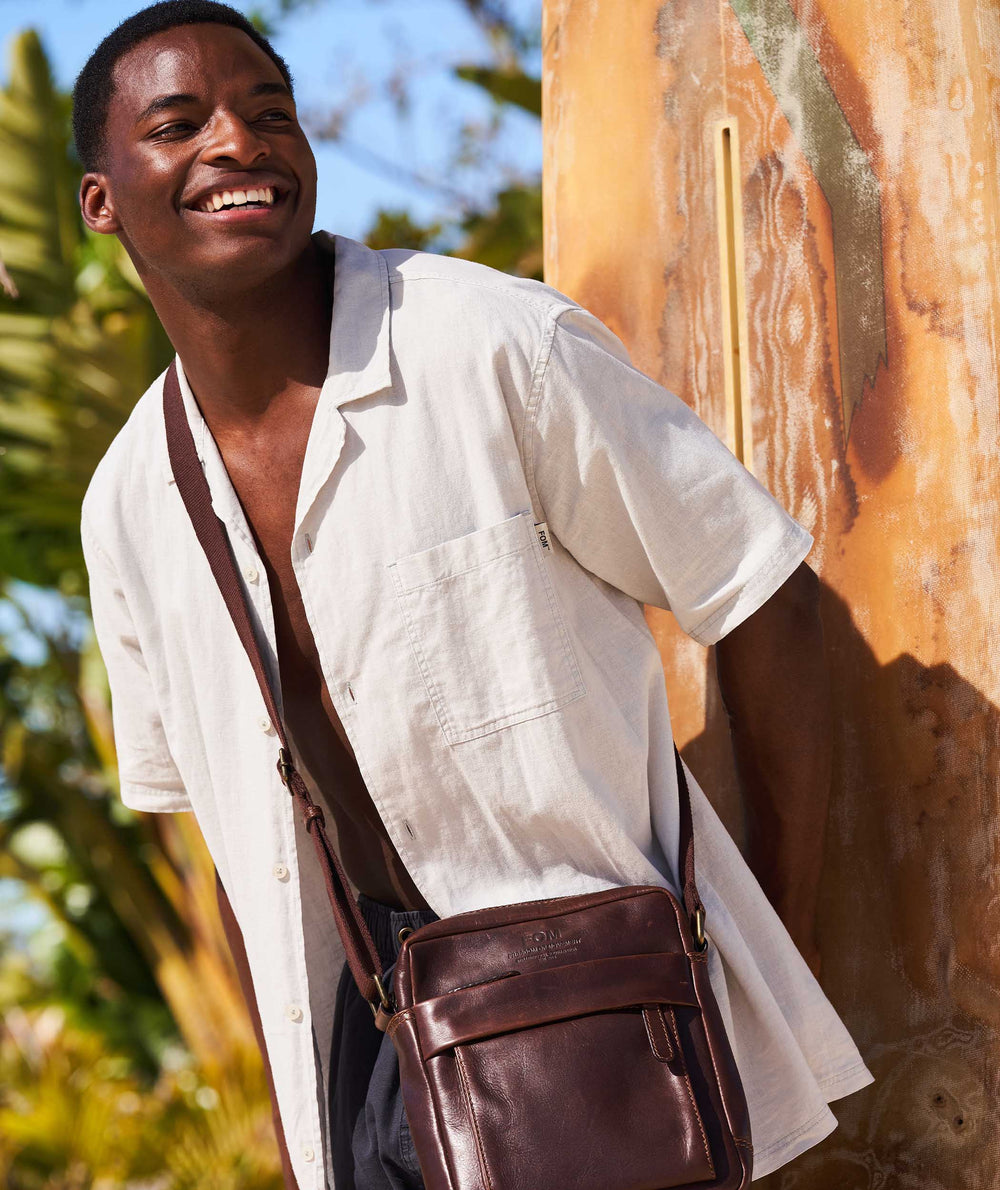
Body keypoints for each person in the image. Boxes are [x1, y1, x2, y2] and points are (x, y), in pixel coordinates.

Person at [74, 2, 874, 1187]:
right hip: (367, 1067)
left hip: (598, 1019)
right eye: (181, 123)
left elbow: (763, 595)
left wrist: (766, 940)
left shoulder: (490, 345)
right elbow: (232, 834)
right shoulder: (130, 501)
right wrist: (302, 1110)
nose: (239, 143)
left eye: (271, 113)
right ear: (102, 201)